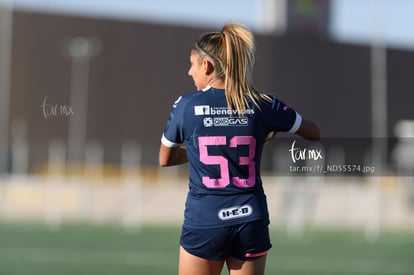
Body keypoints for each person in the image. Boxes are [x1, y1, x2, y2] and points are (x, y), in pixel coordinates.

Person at [159, 22, 320, 275]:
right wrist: (268, 131)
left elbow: (165, 159)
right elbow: (313, 132)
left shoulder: (186, 105)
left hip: (206, 218)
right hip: (250, 217)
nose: (190, 72)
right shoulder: (263, 104)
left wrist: (199, 152)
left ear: (207, 66)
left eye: (192, 64)